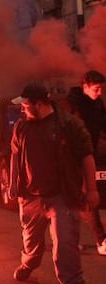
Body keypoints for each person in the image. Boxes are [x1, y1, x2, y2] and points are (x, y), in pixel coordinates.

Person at [9, 82, 99, 284]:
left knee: (65, 244)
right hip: (31, 197)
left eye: (27, 105)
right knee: (31, 244)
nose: (23, 110)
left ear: (40, 105)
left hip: (62, 195)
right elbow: (14, 156)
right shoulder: (21, 127)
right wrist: (13, 186)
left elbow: (86, 156)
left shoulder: (69, 125)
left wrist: (92, 189)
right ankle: (29, 263)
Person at [66, 70, 106, 256]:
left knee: (77, 200)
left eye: (101, 90)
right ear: (86, 86)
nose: (99, 93)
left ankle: (69, 239)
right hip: (74, 157)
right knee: (89, 195)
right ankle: (101, 240)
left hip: (89, 154)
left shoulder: (97, 103)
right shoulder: (72, 105)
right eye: (96, 89)